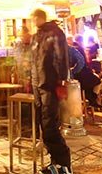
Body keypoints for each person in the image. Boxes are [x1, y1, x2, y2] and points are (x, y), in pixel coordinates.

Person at [30, 9, 72, 174]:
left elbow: (62, 58)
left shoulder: (55, 33)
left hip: (50, 84)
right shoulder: (37, 36)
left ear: (39, 18)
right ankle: (55, 164)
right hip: (38, 85)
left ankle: (64, 164)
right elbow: (34, 61)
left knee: (50, 126)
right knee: (43, 124)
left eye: (33, 18)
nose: (32, 21)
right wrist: (32, 81)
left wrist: (61, 81)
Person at [68, 38, 101, 109]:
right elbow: (82, 62)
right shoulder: (75, 49)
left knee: (90, 83)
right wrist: (73, 72)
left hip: (73, 78)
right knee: (97, 80)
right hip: (80, 76)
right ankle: (92, 99)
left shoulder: (69, 50)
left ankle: (90, 99)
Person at [13, 25, 33, 93]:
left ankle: (25, 96)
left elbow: (16, 53)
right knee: (27, 81)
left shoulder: (18, 41)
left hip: (25, 64)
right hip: (27, 63)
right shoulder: (32, 38)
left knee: (25, 81)